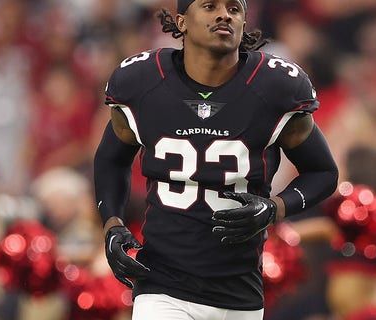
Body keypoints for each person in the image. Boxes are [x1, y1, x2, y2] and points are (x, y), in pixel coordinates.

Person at [92, 0, 339, 319]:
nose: (224, 14)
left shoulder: (275, 86)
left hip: (241, 290)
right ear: (181, 21)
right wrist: (112, 223)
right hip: (163, 286)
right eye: (210, 6)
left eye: (234, 8)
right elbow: (110, 159)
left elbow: (323, 172)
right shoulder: (143, 81)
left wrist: (275, 207)